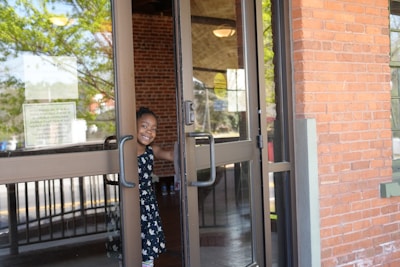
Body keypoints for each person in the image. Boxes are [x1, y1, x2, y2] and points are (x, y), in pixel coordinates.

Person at [136, 107, 174, 267]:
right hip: (128, 203)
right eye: (144, 126)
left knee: (147, 249)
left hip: (147, 206)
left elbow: (172, 155)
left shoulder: (152, 150)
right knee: (128, 246)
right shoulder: (124, 151)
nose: (149, 132)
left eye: (153, 129)